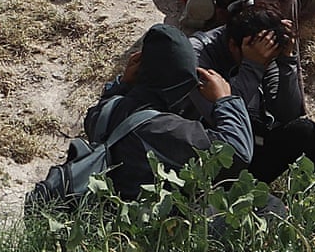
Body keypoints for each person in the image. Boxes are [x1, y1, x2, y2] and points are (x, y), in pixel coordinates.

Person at [83, 22, 252, 200]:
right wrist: (225, 100)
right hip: (151, 218)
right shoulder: (163, 129)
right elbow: (238, 152)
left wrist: (123, 84)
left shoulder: (104, 110)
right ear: (177, 87)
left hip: (113, 200)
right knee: (269, 205)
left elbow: (101, 108)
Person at [189, 0, 315, 181]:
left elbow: (288, 113)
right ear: (233, 45)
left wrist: (287, 60)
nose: (266, 62)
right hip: (212, 149)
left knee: (305, 131)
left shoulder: (262, 48)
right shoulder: (197, 55)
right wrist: (253, 67)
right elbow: (221, 119)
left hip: (253, 137)